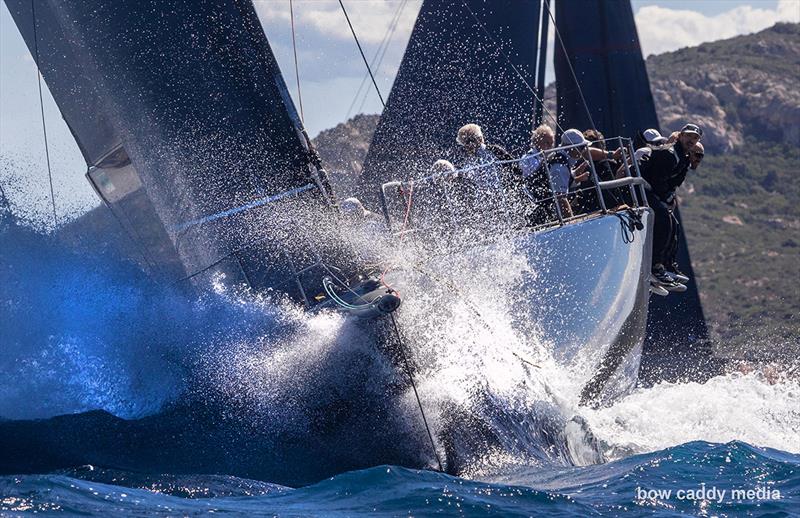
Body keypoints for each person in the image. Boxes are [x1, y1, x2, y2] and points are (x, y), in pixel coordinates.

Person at [639, 123, 702, 289]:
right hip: (641, 188)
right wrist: (664, 198)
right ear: (680, 136)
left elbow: (672, 183)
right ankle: (654, 266)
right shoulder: (670, 153)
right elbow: (658, 180)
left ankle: (666, 264)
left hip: (652, 190)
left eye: (695, 138)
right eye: (688, 136)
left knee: (673, 223)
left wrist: (690, 164)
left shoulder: (682, 158)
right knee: (663, 217)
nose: (691, 140)